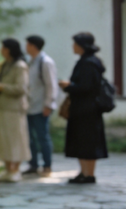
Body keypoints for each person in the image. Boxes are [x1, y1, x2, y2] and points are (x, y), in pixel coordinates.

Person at [58, 33, 108, 184]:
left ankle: (89, 174)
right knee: (81, 140)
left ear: (82, 45)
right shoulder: (87, 61)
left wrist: (69, 86)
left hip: (87, 109)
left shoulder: (89, 63)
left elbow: (87, 87)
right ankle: (84, 172)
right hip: (83, 108)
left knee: (87, 141)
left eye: (75, 44)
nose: (73, 47)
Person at [0, 38, 31, 183]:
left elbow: (21, 88)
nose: (1, 50)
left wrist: (0, 87)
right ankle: (7, 169)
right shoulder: (1, 65)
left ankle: (15, 170)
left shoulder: (20, 66)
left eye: (3, 48)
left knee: (16, 139)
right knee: (3, 140)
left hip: (14, 109)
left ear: (9, 49)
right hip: (1, 107)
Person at [22, 35, 57, 177]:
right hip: (29, 106)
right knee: (29, 138)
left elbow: (51, 85)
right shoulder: (31, 62)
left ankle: (47, 166)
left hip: (41, 106)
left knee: (42, 137)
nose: (26, 47)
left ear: (33, 46)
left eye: (27, 44)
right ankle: (33, 165)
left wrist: (49, 104)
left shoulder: (45, 62)